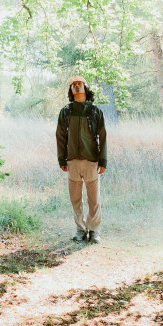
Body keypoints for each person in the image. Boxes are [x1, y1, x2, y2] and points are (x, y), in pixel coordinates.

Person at [56, 77, 108, 243]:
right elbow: (60, 136)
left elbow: (103, 136)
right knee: (75, 199)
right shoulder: (66, 111)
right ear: (71, 90)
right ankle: (80, 230)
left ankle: (94, 231)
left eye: (80, 84)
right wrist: (61, 159)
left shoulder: (95, 111)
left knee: (94, 199)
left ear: (86, 88)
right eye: (73, 85)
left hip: (91, 160)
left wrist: (103, 160)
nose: (77, 86)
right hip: (72, 161)